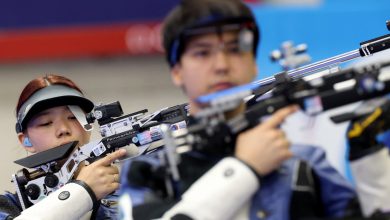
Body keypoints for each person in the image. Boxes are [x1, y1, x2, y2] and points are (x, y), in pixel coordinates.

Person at [119, 0, 362, 219]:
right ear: (177, 71)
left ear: (254, 64)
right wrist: (245, 169)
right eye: (203, 53)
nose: (222, 65)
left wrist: (367, 152)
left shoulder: (304, 161)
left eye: (235, 49)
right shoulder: (148, 172)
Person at [0, 74, 126, 220]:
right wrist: (83, 191)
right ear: (25, 140)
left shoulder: (125, 201)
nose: (63, 129)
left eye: (73, 117)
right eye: (46, 122)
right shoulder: (7, 207)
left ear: (88, 127)